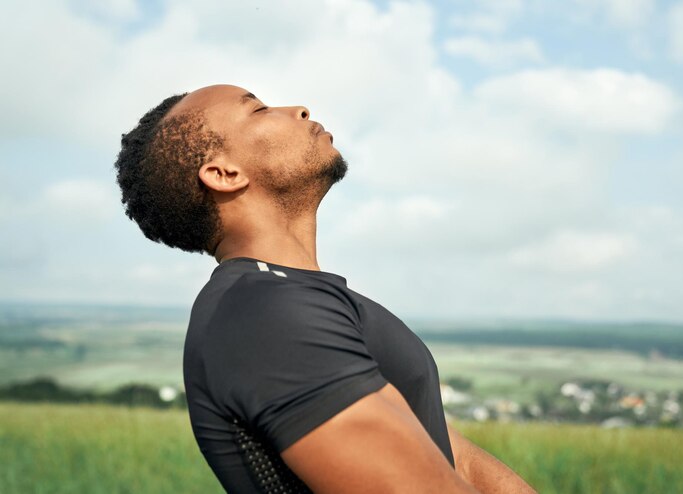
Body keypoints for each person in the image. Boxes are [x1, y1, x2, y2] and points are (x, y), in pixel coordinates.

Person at [113, 84, 537, 494]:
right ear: (224, 173)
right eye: (258, 109)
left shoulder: (308, 299)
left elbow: (451, 459)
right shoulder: (262, 313)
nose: (298, 108)